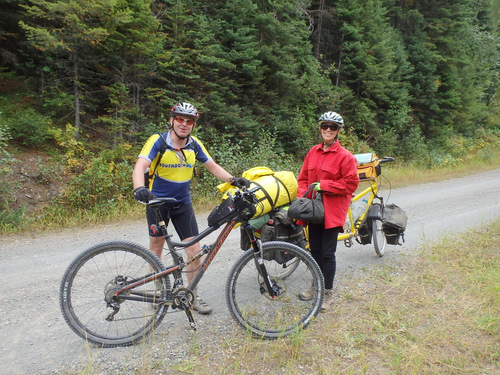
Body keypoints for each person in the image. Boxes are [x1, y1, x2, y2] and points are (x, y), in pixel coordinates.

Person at [132, 102, 248, 315]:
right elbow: (140, 166)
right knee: (156, 247)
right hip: (157, 204)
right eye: (180, 119)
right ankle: (158, 292)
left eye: (189, 121)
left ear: (193, 125)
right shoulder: (158, 141)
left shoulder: (194, 144)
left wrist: (234, 180)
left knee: (194, 250)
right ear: (171, 120)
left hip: (182, 204)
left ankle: (192, 295)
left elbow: (212, 166)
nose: (184, 124)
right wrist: (139, 187)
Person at [297, 111, 359, 311]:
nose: (328, 130)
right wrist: (302, 197)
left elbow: (350, 185)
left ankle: (328, 293)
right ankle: (315, 285)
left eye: (333, 127)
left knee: (327, 253)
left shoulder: (345, 157)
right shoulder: (312, 152)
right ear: (320, 128)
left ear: (339, 131)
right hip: (313, 209)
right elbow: (303, 179)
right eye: (325, 126)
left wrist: (323, 185)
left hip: (332, 211)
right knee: (313, 250)